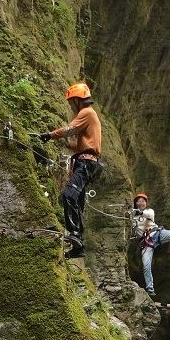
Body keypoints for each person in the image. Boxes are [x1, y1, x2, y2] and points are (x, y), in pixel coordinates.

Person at [39, 83, 101, 258]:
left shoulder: (86, 112)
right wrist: (69, 145)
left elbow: (70, 129)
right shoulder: (90, 115)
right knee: (78, 201)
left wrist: (50, 135)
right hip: (87, 162)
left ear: (77, 100)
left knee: (69, 195)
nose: (71, 107)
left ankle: (74, 234)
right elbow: (85, 143)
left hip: (86, 163)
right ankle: (78, 248)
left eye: (71, 103)